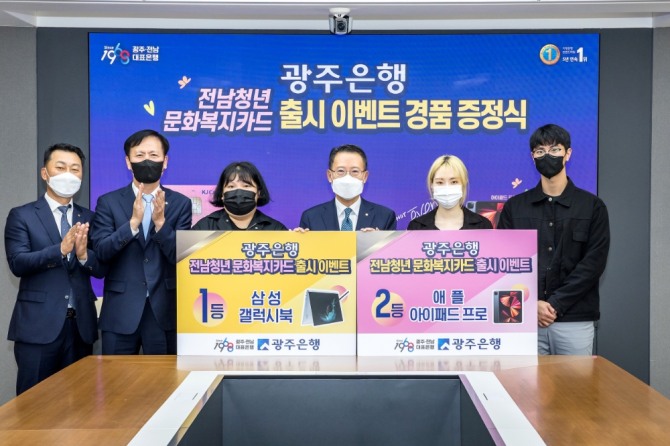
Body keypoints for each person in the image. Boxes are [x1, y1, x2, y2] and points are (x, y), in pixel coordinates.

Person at [497, 124, 610, 355]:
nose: (547, 156)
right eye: (540, 151)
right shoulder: (514, 208)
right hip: (522, 318)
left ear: (568, 153)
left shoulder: (592, 206)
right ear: (532, 157)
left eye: (555, 150)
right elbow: (502, 263)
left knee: (576, 380)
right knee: (522, 379)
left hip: (574, 318)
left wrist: (555, 304)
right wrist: (532, 305)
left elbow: (593, 264)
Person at [5, 143, 105, 395]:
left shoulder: (90, 218)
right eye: (60, 167)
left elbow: (101, 268)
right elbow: (18, 262)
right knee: (33, 403)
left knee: (81, 402)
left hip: (80, 327)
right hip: (38, 327)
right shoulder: (22, 215)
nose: (68, 174)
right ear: (45, 173)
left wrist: (83, 255)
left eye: (75, 169)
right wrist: (60, 249)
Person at [90, 129, 192, 355]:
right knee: (115, 376)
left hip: (163, 310)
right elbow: (102, 251)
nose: (147, 161)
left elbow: (182, 257)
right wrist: (132, 225)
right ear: (128, 162)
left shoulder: (181, 203)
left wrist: (161, 225)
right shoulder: (108, 202)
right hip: (120, 311)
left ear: (165, 162)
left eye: (153, 155)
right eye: (139, 155)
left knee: (164, 377)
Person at [298, 144, 396, 231]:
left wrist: (377, 241)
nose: (347, 178)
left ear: (365, 176)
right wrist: (299, 240)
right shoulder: (311, 217)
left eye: (355, 171)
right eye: (341, 171)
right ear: (330, 176)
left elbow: (391, 247)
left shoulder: (385, 216)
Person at [192, 161, 287, 231]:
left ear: (258, 193)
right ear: (222, 194)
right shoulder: (204, 227)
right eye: (231, 186)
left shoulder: (276, 229)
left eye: (246, 186)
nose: (239, 192)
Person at [407, 154, 493, 230]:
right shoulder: (416, 227)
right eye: (440, 182)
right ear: (432, 185)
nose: (447, 188)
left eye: (454, 182)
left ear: (463, 183)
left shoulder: (483, 226)